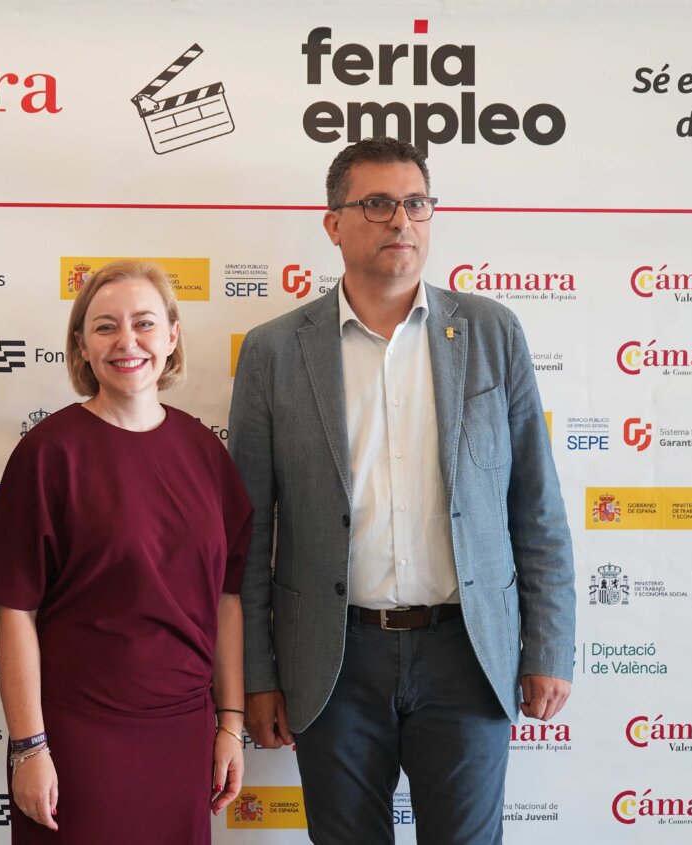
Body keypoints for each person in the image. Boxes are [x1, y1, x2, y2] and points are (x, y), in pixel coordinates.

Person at [228, 137, 575, 845]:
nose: (401, 222)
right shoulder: (272, 352)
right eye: (378, 204)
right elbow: (249, 532)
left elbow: (535, 505)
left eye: (416, 204)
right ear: (333, 222)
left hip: (467, 652)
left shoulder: (491, 332)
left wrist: (548, 645)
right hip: (333, 655)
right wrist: (257, 675)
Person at [0, 260, 250, 843]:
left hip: (183, 734)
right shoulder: (49, 453)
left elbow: (227, 598)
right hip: (76, 736)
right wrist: (28, 746)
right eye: (105, 327)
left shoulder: (205, 453)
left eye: (145, 323)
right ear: (81, 346)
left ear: (172, 337)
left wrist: (230, 724)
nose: (128, 341)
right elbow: (13, 610)